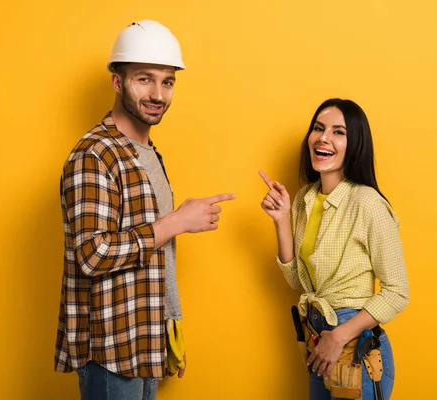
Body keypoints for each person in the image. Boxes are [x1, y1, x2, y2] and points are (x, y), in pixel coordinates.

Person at [54, 20, 235, 400]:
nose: (158, 94)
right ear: (118, 82)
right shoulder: (95, 154)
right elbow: (92, 254)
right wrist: (176, 221)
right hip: (110, 349)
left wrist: (171, 330)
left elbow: (160, 256)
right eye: (144, 79)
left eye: (167, 82)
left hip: (147, 342)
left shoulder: (149, 154)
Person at [259, 98, 409, 399]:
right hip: (319, 340)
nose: (324, 138)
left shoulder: (368, 204)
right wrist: (281, 220)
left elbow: (397, 292)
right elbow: (296, 282)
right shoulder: (305, 199)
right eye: (318, 128)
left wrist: (339, 336)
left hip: (353, 345)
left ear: (355, 144)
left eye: (338, 132)